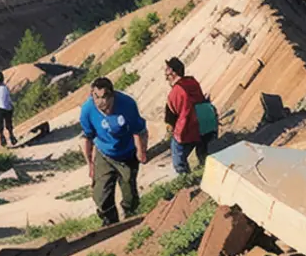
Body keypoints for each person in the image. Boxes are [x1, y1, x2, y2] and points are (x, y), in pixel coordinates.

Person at [80, 77, 148, 226]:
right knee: (101, 196)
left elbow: (139, 130)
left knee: (130, 195)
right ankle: (110, 221)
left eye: (104, 97)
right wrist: (90, 164)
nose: (100, 102)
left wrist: (141, 151)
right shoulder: (87, 110)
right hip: (104, 154)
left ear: (112, 95)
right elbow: (87, 138)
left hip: (127, 153)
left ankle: (130, 216)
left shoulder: (127, 104)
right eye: (96, 97)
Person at [163, 57, 212, 174]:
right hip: (206, 121)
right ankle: (205, 170)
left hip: (188, 128)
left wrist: (170, 132)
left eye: (167, 69)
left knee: (177, 154)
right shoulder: (192, 81)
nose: (165, 73)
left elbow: (171, 118)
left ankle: (186, 178)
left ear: (173, 72)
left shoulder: (175, 92)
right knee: (203, 153)